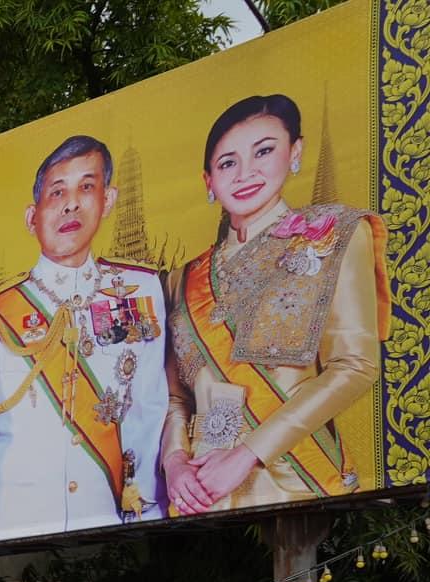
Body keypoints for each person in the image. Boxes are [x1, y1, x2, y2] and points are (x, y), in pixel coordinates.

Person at [163, 93, 390, 516]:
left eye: (264, 151)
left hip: (294, 482)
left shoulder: (334, 234)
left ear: (295, 152)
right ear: (208, 181)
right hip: (197, 493)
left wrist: (247, 454)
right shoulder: (182, 278)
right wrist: (174, 462)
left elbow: (355, 365)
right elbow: (176, 399)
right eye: (227, 163)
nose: (245, 173)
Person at [0, 134, 170, 545]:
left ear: (108, 200)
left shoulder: (139, 291)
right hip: (13, 535)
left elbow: (148, 415)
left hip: (107, 527)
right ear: (32, 217)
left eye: (87, 187)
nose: (71, 204)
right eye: (57, 192)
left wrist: (147, 523)